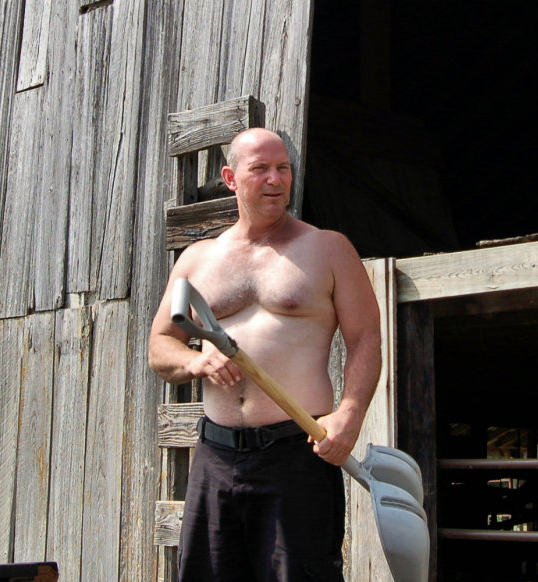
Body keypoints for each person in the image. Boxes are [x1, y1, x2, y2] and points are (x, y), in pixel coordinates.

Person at [148, 127, 382, 581]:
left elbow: (366, 337)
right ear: (231, 178)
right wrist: (194, 361)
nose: (275, 179)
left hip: (296, 455)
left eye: (284, 169)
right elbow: (161, 346)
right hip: (216, 456)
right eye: (261, 169)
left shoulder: (328, 249)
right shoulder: (197, 259)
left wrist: (349, 414)